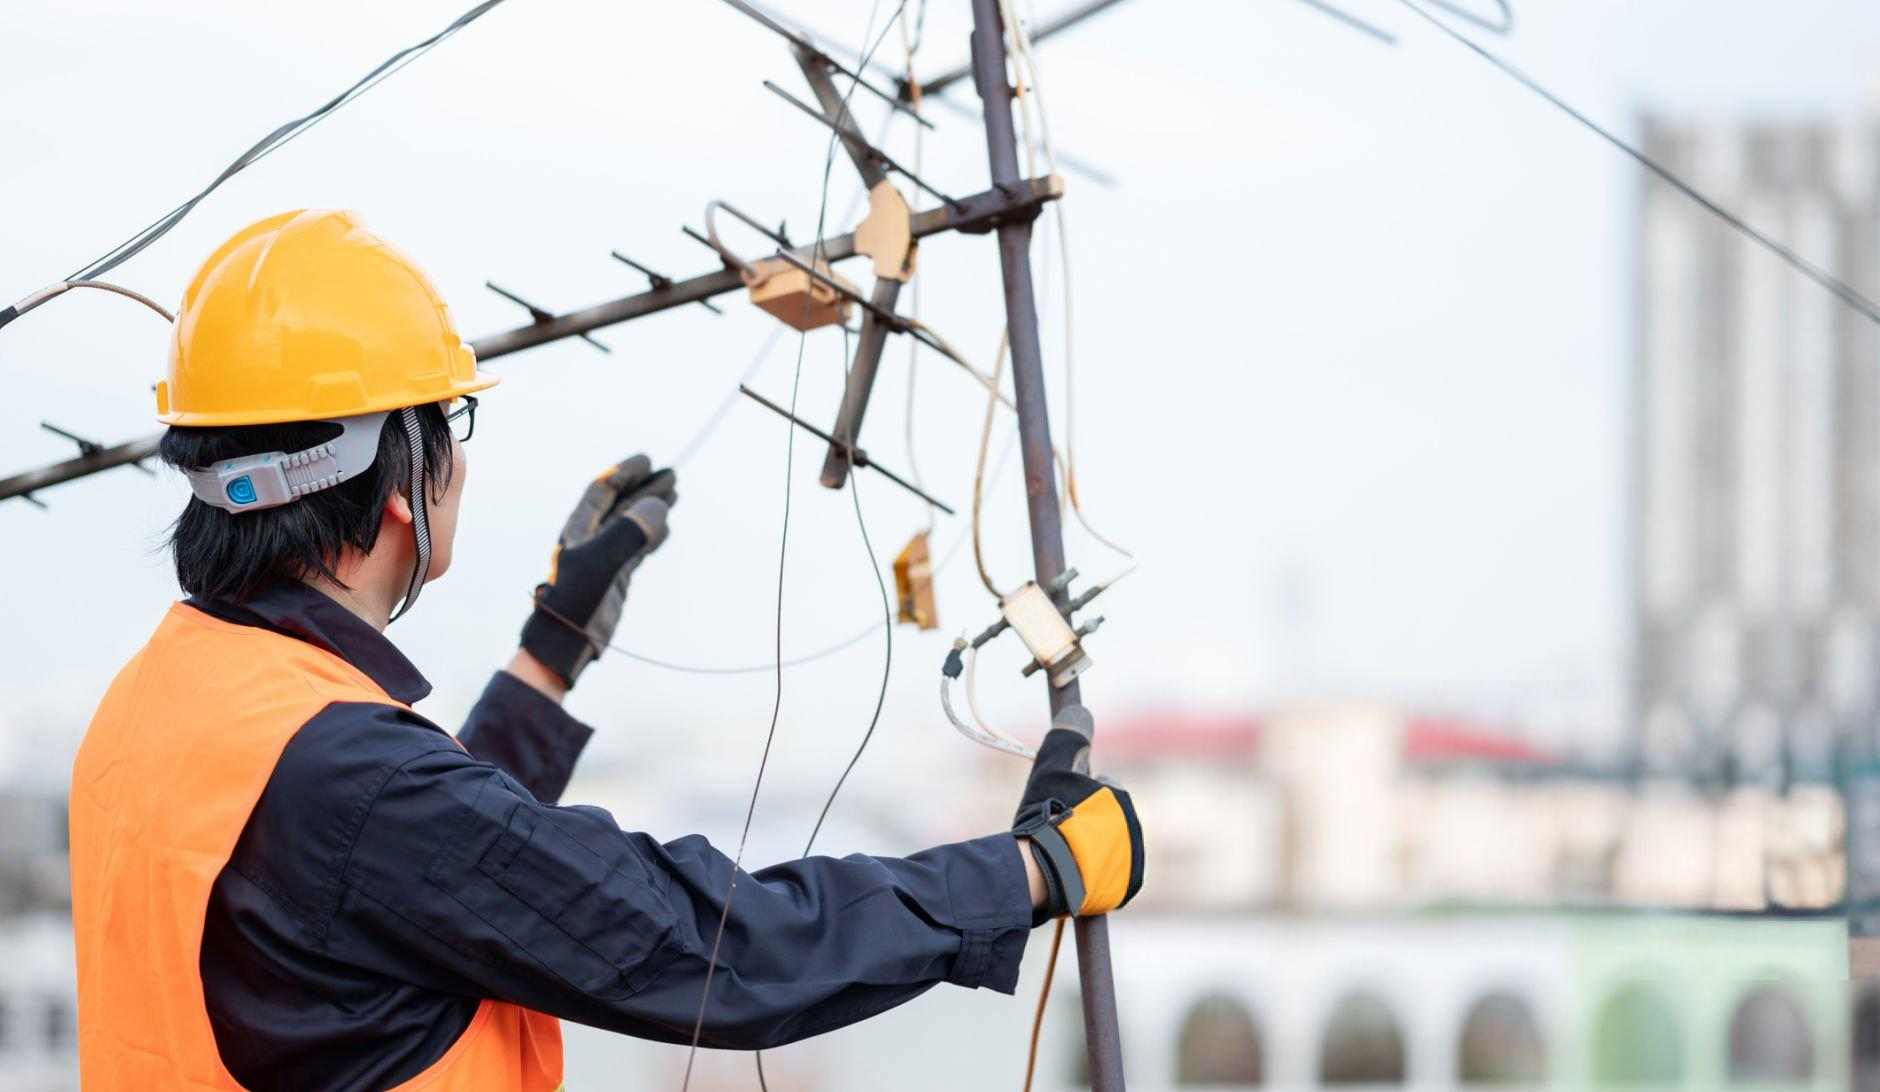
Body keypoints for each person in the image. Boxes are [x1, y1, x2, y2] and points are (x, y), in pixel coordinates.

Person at [67, 208, 1145, 1090]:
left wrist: (551, 653)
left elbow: (391, 888)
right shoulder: (349, 781)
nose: (459, 465)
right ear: (400, 483)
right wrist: (1029, 871)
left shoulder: (157, 708)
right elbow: (715, 950)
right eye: (449, 426)